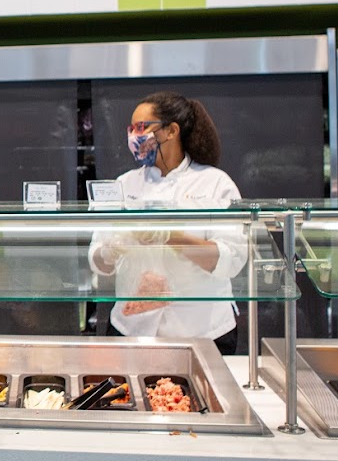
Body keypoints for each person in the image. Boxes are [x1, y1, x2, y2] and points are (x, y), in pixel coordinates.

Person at [87, 92, 247, 352]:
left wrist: (170, 236)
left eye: (142, 127)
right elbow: (96, 261)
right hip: (131, 328)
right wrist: (113, 248)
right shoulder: (124, 184)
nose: (134, 135)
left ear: (172, 131)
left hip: (202, 331)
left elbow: (231, 260)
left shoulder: (216, 183)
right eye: (131, 129)